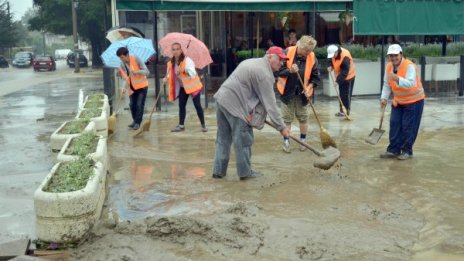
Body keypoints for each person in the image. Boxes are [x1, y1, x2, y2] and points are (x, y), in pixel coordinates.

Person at [212, 46, 290, 181]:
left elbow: (250, 92)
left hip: (222, 99)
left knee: (223, 139)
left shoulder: (253, 62)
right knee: (243, 139)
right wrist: (282, 127)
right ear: (270, 56)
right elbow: (270, 104)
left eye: (283, 61)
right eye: (280, 60)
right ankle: (245, 173)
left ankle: (218, 171)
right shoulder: (264, 73)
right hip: (236, 106)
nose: (281, 63)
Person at [380, 44, 425, 160]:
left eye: (395, 55)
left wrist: (397, 79)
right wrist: (384, 98)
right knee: (394, 124)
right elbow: (386, 84)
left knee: (408, 127)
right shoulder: (389, 67)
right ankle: (393, 150)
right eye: (391, 56)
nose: (393, 58)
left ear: (401, 54)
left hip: (414, 101)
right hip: (398, 101)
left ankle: (407, 151)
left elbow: (411, 83)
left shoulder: (409, 66)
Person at [276, 35, 320, 153]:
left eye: (309, 51)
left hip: (303, 95)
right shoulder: (287, 52)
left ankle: (303, 140)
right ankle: (286, 141)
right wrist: (290, 70)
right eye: (305, 51)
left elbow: (316, 78)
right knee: (287, 119)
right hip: (287, 92)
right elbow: (277, 71)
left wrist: (309, 87)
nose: (307, 54)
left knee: (303, 117)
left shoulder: (312, 57)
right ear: (299, 46)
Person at [163, 43, 207, 132]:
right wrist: (165, 78)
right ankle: (181, 126)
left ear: (181, 50)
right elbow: (169, 74)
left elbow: (193, 73)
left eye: (177, 49)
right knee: (181, 105)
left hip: (193, 86)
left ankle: (203, 125)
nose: (175, 51)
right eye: (174, 49)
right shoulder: (171, 63)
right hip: (183, 87)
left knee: (197, 105)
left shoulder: (187, 61)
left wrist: (183, 70)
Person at [117, 47, 149, 130]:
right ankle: (135, 120)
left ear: (127, 55)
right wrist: (123, 88)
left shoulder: (136, 58)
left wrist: (136, 72)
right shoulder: (122, 64)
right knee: (132, 105)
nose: (121, 59)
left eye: (122, 57)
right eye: (120, 58)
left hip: (142, 86)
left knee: (139, 105)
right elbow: (125, 78)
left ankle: (138, 123)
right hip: (131, 87)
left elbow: (147, 71)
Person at [327, 44, 356, 117]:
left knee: (346, 95)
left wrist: (337, 81)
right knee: (341, 94)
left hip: (348, 77)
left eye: (333, 55)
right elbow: (330, 60)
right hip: (341, 76)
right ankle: (342, 111)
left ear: (337, 52)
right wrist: (330, 66)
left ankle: (346, 112)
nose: (332, 56)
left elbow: (344, 72)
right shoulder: (334, 54)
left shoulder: (345, 57)